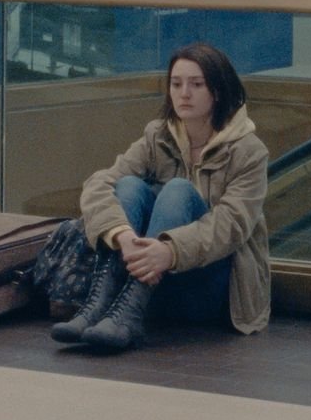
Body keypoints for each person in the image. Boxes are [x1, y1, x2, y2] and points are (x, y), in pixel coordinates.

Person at [51, 42, 270, 349]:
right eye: (176, 84)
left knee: (177, 191)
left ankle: (128, 314)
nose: (184, 93)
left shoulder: (249, 152)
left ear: (217, 91)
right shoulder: (158, 135)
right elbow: (98, 184)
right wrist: (122, 236)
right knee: (127, 186)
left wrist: (170, 251)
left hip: (210, 291)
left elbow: (231, 225)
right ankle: (99, 306)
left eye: (196, 84)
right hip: (153, 280)